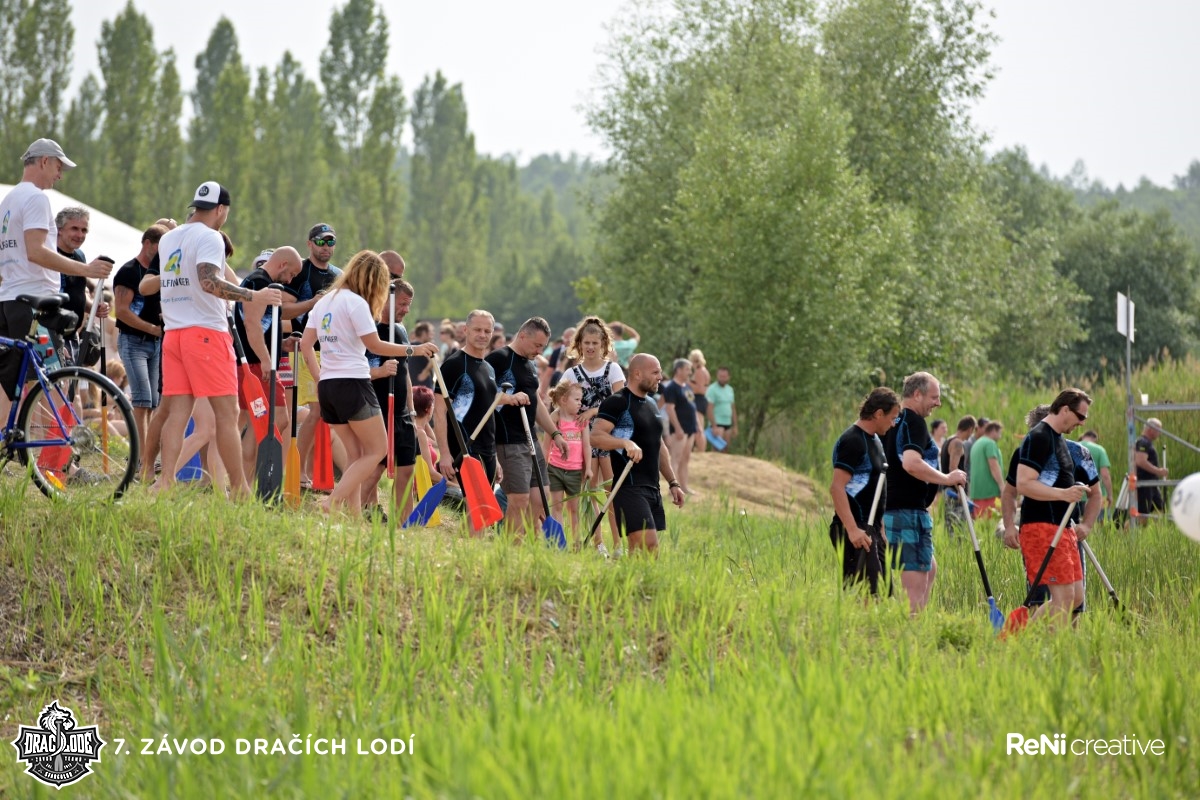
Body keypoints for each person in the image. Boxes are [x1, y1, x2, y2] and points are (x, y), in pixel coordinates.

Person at [153, 181, 281, 497]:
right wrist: (253, 296)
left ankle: (164, 481)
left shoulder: (168, 238)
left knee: (178, 414)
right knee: (227, 416)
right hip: (206, 335)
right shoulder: (211, 237)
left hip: (174, 334)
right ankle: (239, 490)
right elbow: (209, 282)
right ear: (221, 210)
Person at [0, 139, 113, 425]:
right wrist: (86, 268)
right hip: (35, 304)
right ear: (44, 161)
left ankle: (14, 445)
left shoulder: (7, 201)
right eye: (59, 167)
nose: (60, 175)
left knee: (10, 389)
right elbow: (36, 251)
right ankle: (56, 454)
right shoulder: (36, 198)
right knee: (56, 386)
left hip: (9, 301)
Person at [299, 251, 421, 515]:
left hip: (328, 387)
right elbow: (374, 345)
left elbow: (305, 345)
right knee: (377, 449)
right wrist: (415, 350)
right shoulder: (356, 303)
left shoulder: (325, 301)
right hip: (354, 384)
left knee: (355, 455)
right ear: (373, 280)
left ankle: (353, 516)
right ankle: (333, 501)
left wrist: (319, 378)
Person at [433, 309, 528, 535]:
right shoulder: (454, 365)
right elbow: (439, 412)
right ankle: (470, 549)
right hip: (465, 447)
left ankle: (464, 547)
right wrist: (444, 454)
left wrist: (495, 458)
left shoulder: (488, 368)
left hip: (486, 448)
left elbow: (486, 407)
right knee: (479, 508)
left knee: (478, 514)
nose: (482, 335)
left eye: (487, 331)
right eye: (477, 329)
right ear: (465, 330)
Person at [1010, 389, 1098, 628]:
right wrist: (1064, 494)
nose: (1082, 423)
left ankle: (1027, 634)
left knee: (1076, 597)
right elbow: (1023, 484)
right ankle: (1044, 643)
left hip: (1064, 527)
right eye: (1080, 416)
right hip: (1042, 526)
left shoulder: (1058, 438)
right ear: (1065, 409)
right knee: (1064, 597)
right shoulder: (1038, 437)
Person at [883, 372, 966, 617]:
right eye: (934, 397)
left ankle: (912, 621)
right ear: (917, 394)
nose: (938, 403)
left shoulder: (894, 420)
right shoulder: (913, 421)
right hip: (906, 511)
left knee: (929, 568)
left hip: (900, 508)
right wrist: (947, 479)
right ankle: (910, 626)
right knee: (916, 580)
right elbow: (911, 463)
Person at [359, 279, 440, 520]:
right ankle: (353, 512)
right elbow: (359, 370)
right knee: (376, 468)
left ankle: (402, 522)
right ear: (387, 299)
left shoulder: (401, 330)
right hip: (378, 408)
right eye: (402, 304)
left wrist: (412, 412)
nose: (406, 310)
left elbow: (404, 373)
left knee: (407, 468)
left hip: (403, 413)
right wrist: (380, 371)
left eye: (408, 305)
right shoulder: (370, 329)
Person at [590, 353, 687, 555]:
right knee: (648, 545)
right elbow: (595, 437)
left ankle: (623, 575)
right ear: (637, 374)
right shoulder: (617, 402)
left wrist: (673, 482)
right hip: (628, 486)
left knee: (639, 552)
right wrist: (624, 443)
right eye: (655, 372)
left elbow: (659, 446)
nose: (660, 377)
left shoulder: (652, 404)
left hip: (652, 487)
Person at [486, 317, 566, 539]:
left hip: (530, 438)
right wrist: (508, 398)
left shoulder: (530, 364)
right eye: (537, 345)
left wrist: (555, 433)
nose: (539, 351)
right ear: (522, 336)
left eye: (543, 347)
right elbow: (484, 394)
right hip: (507, 440)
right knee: (519, 499)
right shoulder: (498, 359)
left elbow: (536, 401)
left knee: (540, 496)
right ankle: (511, 546)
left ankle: (525, 542)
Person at [233, 246, 304, 479]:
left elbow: (260, 327)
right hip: (257, 366)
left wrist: (281, 344)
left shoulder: (260, 282)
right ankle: (247, 480)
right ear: (282, 264)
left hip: (256, 363)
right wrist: (265, 359)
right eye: (291, 274)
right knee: (275, 419)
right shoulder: (259, 282)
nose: (290, 280)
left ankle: (246, 482)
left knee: (258, 423)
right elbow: (251, 324)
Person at [558, 316, 626, 554]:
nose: (590, 347)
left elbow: (621, 401)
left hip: (607, 435)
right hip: (581, 438)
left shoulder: (613, 369)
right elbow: (559, 401)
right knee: (588, 492)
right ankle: (598, 543)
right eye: (586, 343)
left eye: (595, 343)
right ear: (579, 343)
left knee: (612, 492)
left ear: (603, 344)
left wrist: (594, 411)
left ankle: (618, 544)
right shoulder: (572, 373)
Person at [285, 223, 342, 488]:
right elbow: (283, 309)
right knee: (316, 411)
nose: (326, 247)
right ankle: (295, 471)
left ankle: (307, 472)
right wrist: (311, 303)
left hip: (329, 351)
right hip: (302, 349)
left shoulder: (340, 276)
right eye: (321, 242)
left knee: (323, 414)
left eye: (330, 242)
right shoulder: (300, 271)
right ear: (309, 244)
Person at [829, 387, 899, 596]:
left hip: (873, 529)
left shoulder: (875, 440)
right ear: (879, 414)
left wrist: (881, 530)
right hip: (855, 528)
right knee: (865, 595)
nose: (893, 424)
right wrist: (852, 530)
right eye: (892, 418)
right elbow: (836, 488)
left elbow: (875, 489)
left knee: (884, 592)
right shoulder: (853, 441)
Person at [113, 224, 167, 457]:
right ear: (147, 244)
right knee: (142, 401)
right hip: (133, 341)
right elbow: (121, 311)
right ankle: (141, 458)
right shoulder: (128, 272)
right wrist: (153, 329)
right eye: (161, 248)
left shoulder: (157, 274)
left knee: (152, 402)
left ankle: (147, 457)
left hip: (155, 343)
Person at [545, 381, 592, 541]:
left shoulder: (581, 421)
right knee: (557, 506)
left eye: (581, 400)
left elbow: (587, 446)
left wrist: (588, 468)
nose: (580, 403)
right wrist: (543, 467)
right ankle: (558, 542)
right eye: (577, 399)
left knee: (574, 508)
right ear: (564, 400)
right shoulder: (554, 419)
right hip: (555, 469)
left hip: (575, 471)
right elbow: (546, 446)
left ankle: (576, 542)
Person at [662, 358, 698, 494]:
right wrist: (677, 428)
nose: (690, 372)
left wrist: (699, 427)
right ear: (678, 370)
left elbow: (693, 406)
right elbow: (669, 409)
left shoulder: (687, 386)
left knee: (685, 458)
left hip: (690, 428)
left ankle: (684, 486)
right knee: (676, 458)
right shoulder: (671, 388)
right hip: (679, 429)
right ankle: (673, 489)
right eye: (687, 369)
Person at [940, 415, 976, 534]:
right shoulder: (958, 443)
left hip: (948, 490)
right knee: (959, 530)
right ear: (970, 429)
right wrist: (960, 492)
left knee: (951, 528)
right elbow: (953, 468)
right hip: (955, 493)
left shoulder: (948, 440)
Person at [968, 420, 1004, 519]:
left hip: (977, 492)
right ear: (994, 431)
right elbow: (994, 466)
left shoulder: (977, 443)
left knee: (980, 523)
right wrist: (1002, 486)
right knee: (992, 522)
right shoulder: (990, 443)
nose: (1000, 436)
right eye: (999, 433)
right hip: (990, 492)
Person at [1135, 418, 1168, 514]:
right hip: (1145, 483)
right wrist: (1158, 471)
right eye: (1158, 430)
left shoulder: (1147, 443)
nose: (1159, 433)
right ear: (1151, 429)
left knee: (1161, 509)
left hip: (1152, 483)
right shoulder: (1143, 442)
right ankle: (1128, 524)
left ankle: (1159, 526)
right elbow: (1140, 461)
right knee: (1143, 513)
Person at [1079, 430, 1113, 519]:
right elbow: (1105, 475)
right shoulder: (1099, 449)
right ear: (1094, 438)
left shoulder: (1072, 447)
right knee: (1102, 523)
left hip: (1075, 495)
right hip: (1098, 496)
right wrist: (1109, 495)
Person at [707, 366, 738, 446]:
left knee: (726, 447)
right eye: (720, 376)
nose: (722, 379)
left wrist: (735, 426)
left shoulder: (730, 390)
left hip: (727, 422)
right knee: (717, 447)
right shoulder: (712, 389)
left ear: (728, 377)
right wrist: (714, 426)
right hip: (717, 422)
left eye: (724, 377)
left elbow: (733, 408)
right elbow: (709, 408)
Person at [688, 349, 710, 453]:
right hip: (698, 399)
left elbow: (701, 389)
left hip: (699, 399)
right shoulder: (703, 370)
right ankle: (698, 449)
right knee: (698, 427)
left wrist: (687, 383)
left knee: (698, 428)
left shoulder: (700, 371)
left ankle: (701, 451)